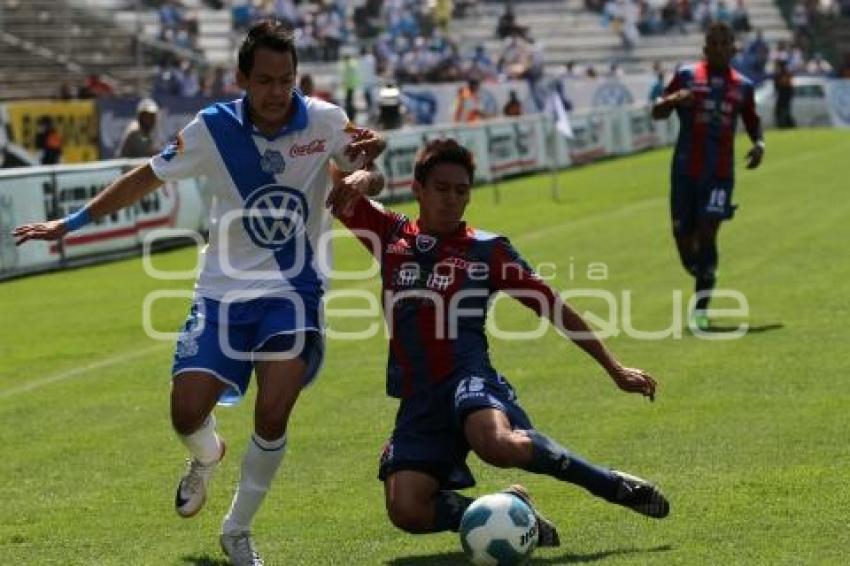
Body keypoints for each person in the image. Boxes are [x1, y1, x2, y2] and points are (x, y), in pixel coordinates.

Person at [14, 19, 385, 566]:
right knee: (185, 413)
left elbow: (368, 167)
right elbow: (146, 176)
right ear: (241, 78)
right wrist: (72, 222)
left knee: (274, 411)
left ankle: (237, 530)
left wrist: (363, 178)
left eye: (286, 79)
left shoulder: (326, 120)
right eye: (264, 80)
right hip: (221, 293)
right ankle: (206, 456)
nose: (277, 91)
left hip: (292, 290)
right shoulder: (211, 129)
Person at [326, 138, 670, 547]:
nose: (452, 199)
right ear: (418, 189)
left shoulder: (487, 251)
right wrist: (367, 172)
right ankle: (514, 512)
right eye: (441, 188)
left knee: (496, 444)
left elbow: (551, 305)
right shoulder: (390, 233)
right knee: (407, 510)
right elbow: (326, 167)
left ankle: (609, 484)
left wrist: (614, 368)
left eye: (461, 190)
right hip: (419, 397)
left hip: (468, 378)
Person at [652, 22, 764, 331]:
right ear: (704, 49)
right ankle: (703, 270)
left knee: (708, 231)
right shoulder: (687, 75)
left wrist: (759, 144)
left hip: (719, 175)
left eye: (724, 43)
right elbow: (656, 110)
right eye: (713, 43)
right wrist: (674, 100)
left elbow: (753, 121)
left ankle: (700, 308)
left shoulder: (743, 86)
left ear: (733, 48)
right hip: (685, 171)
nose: (718, 48)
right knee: (683, 239)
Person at [773, 59, 795, 129]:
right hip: (786, 94)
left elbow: (778, 85)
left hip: (783, 95)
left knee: (781, 111)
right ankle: (786, 124)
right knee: (784, 111)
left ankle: (784, 125)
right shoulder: (787, 73)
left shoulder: (782, 74)